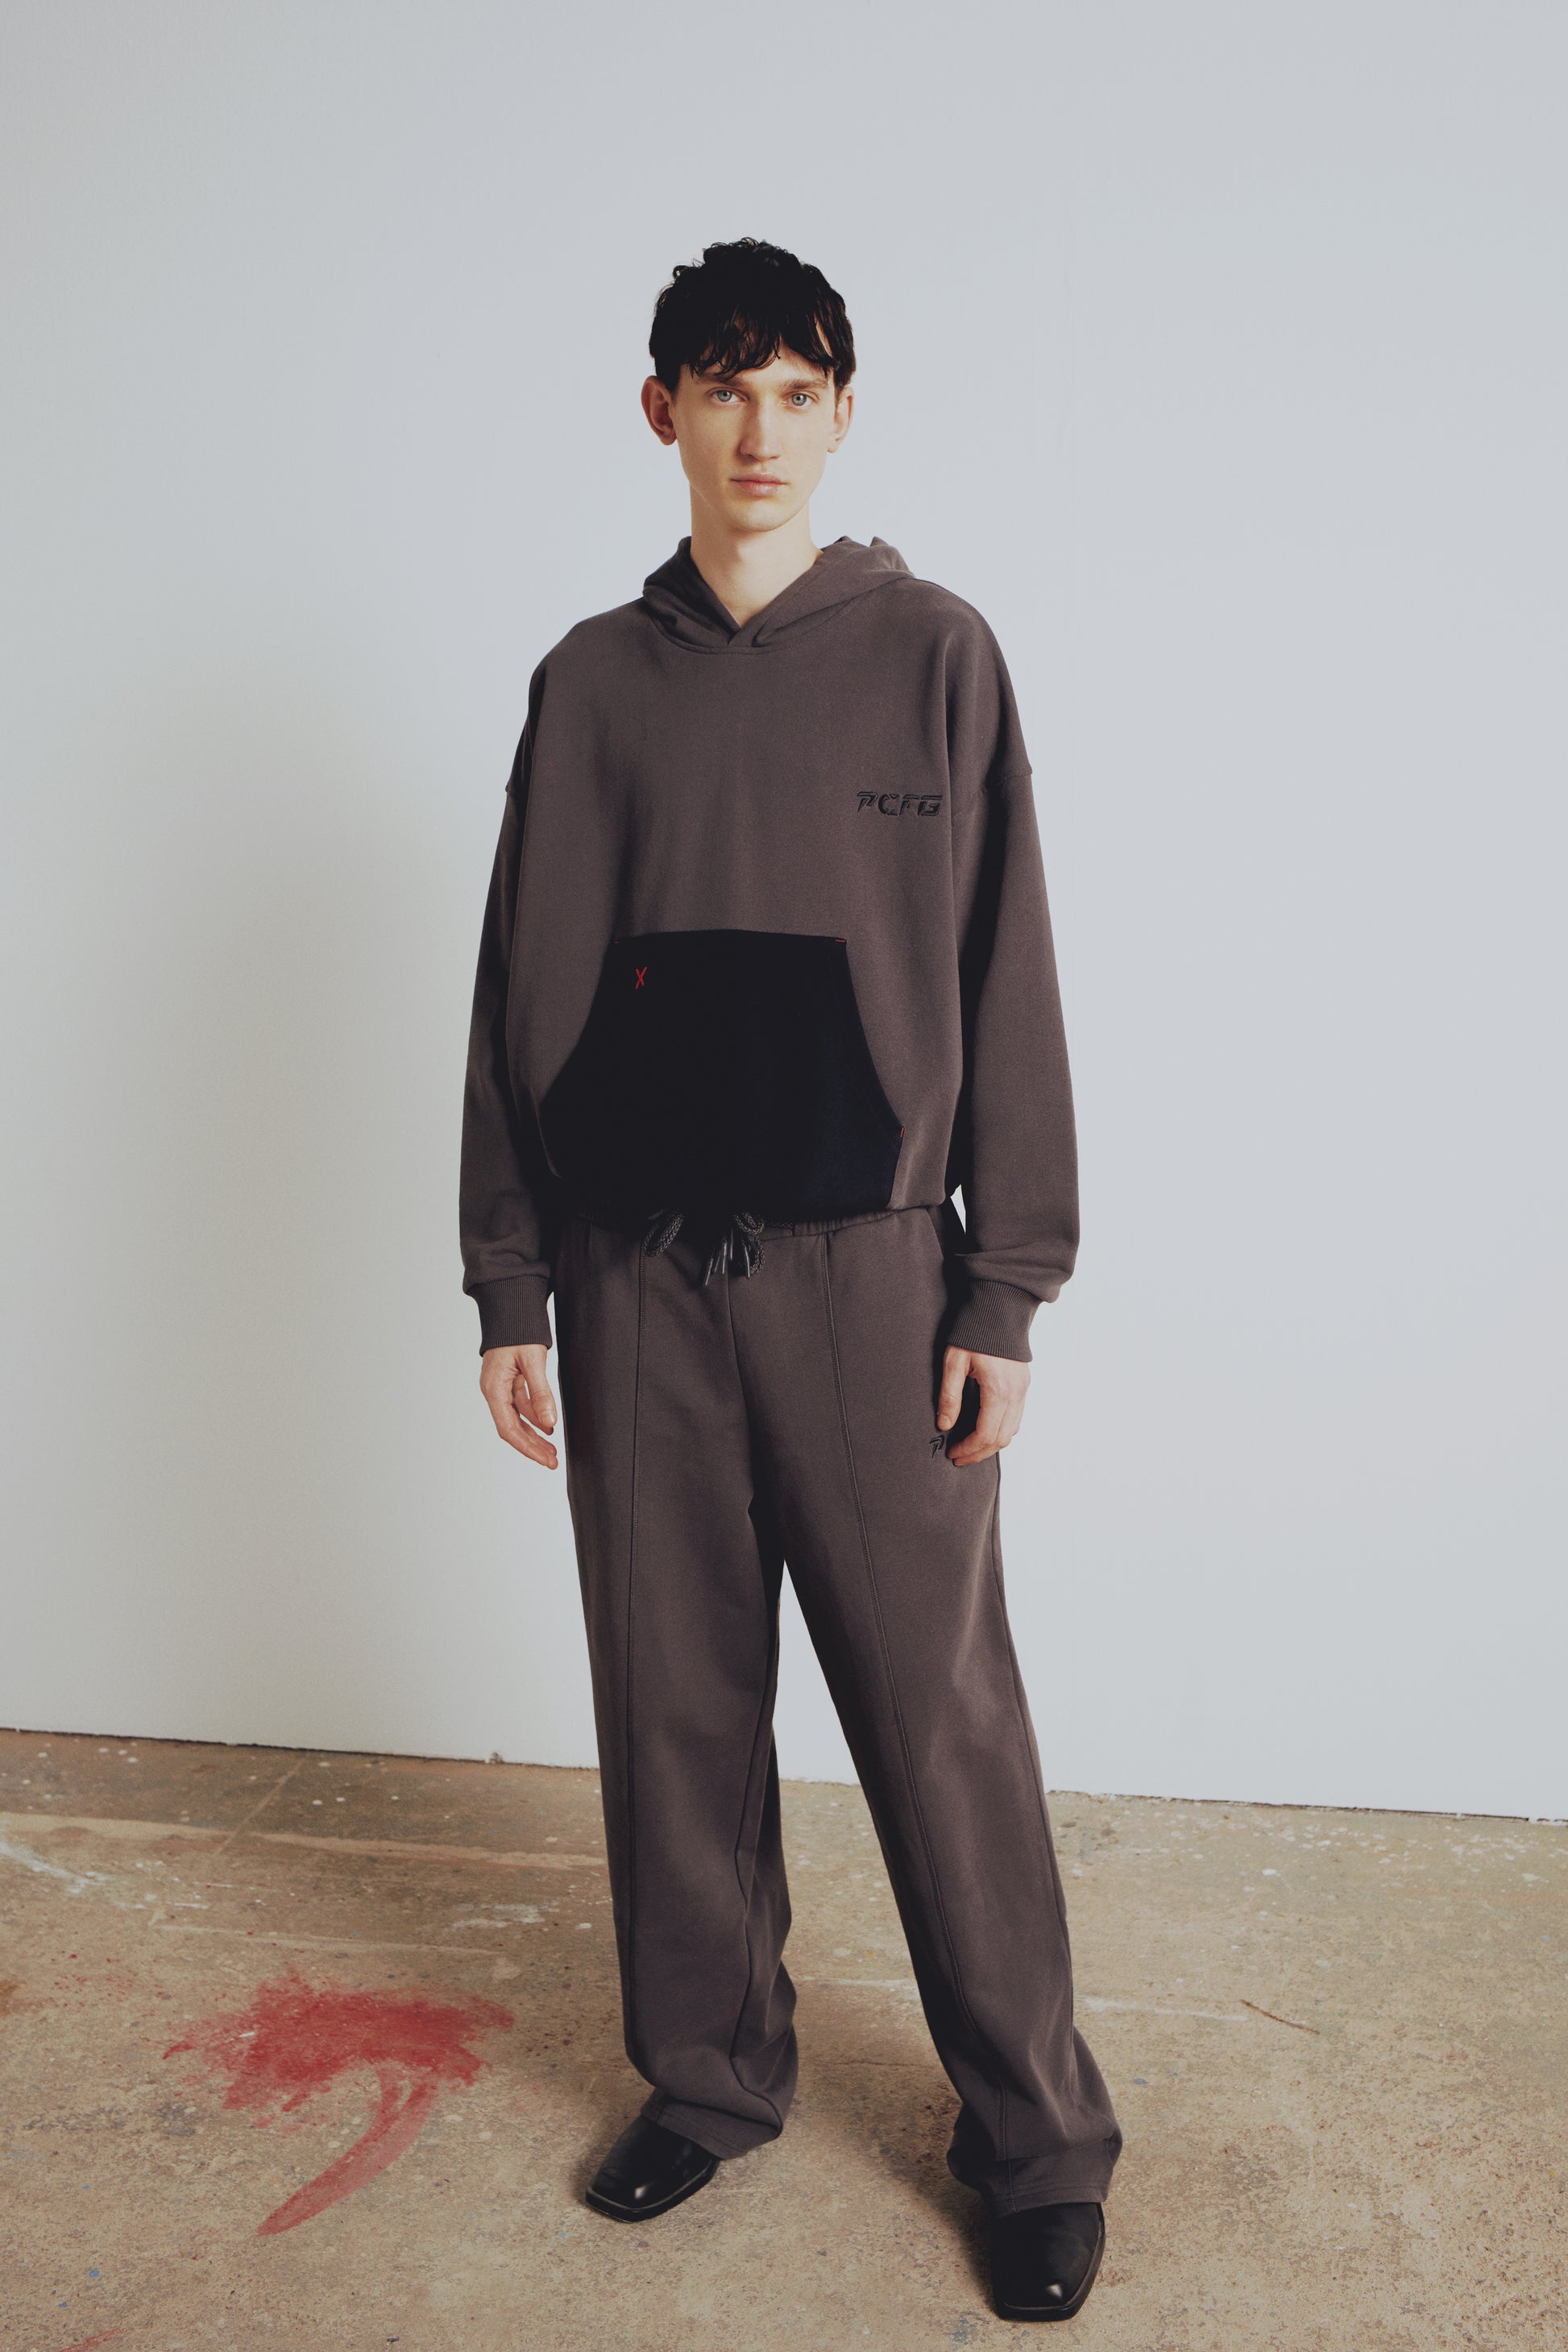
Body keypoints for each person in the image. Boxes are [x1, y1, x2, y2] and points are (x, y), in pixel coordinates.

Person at [459, 237, 1121, 2325]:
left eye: (799, 390)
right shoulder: (590, 683)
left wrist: (1002, 1287)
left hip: (867, 1281)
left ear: (843, 414)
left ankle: (1036, 2142)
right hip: (634, 1281)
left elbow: (1006, 978)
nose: (762, 429)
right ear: (660, 409)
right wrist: (507, 1278)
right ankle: (710, 2076)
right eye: (725, 387)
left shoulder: (931, 655)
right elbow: (515, 989)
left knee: (938, 1721)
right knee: (670, 1704)